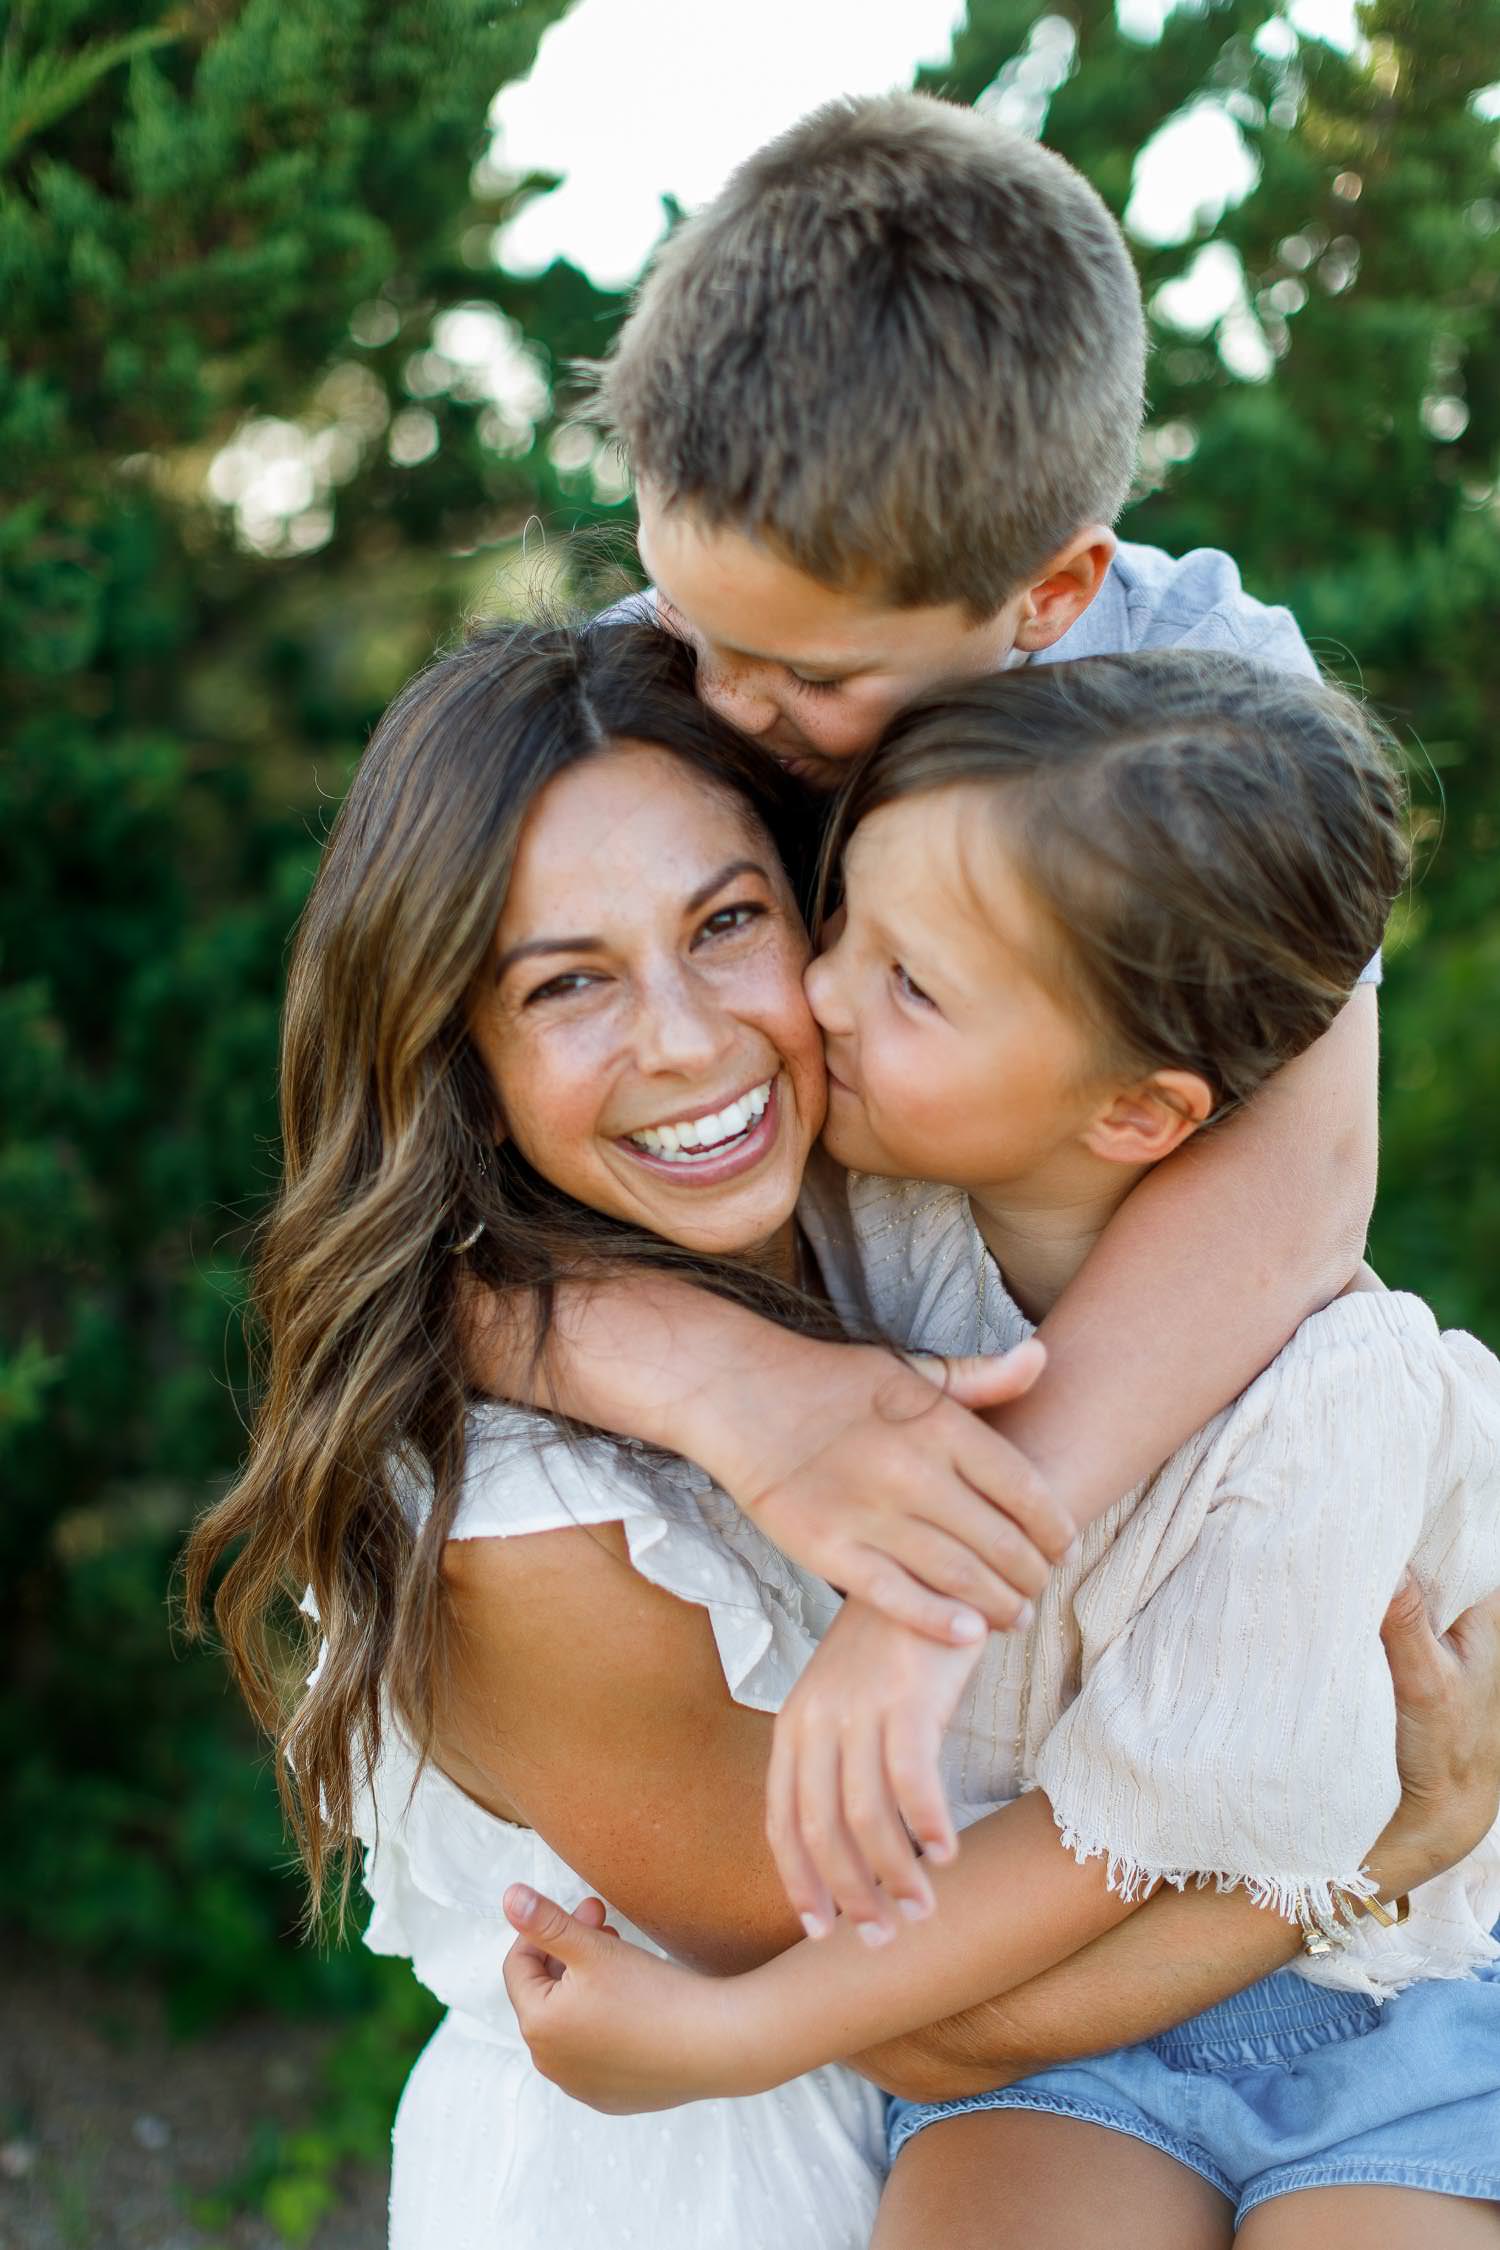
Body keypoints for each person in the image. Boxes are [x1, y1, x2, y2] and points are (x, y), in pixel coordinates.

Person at [184, 616, 1500, 2249]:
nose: (687, 1035)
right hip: (726, 2167)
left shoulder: (904, 1172)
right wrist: (1393, 1843)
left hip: (1259, 2050)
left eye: (729, 921)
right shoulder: (515, 1528)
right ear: (458, 1047)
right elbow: (909, 2011)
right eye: (567, 982)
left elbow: (1277, 1064)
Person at [498, 93, 1385, 1611]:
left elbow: (1295, 1178)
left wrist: (969, 1565)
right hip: (779, 1458)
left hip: (1123, 1478)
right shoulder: (632, 698)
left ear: (1051, 593)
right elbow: (401, 1202)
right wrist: (726, 1383)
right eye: (684, 618)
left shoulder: (1202, 698)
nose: (718, 700)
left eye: (809, 676)